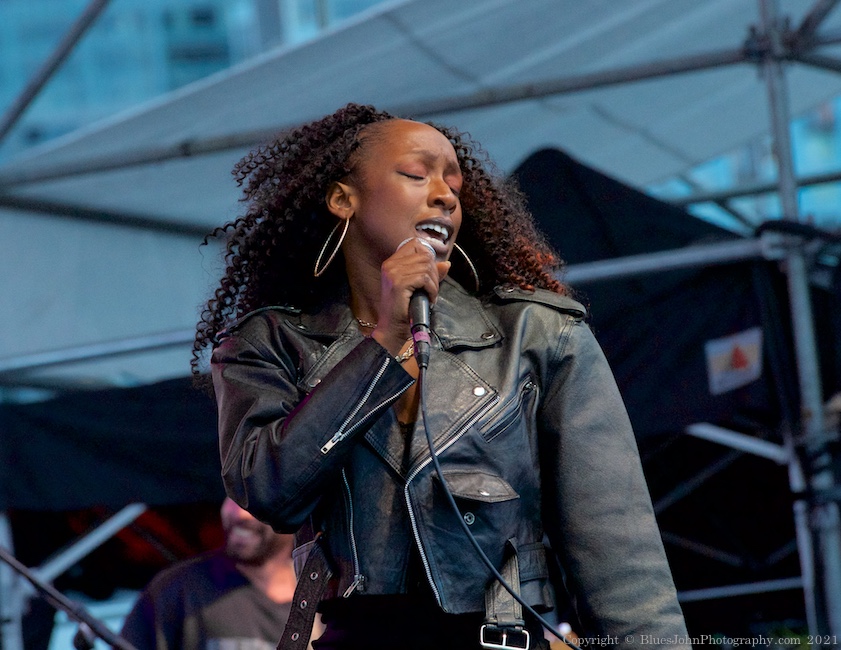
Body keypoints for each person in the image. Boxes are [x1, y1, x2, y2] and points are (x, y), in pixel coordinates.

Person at [193, 103, 690, 649]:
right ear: (343, 199)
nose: (444, 194)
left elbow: (620, 555)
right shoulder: (269, 344)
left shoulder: (536, 335)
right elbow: (270, 489)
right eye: (416, 174)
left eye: (454, 182)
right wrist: (384, 338)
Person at [119, 498, 298, 649]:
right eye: (234, 497)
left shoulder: (321, 597)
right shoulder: (177, 589)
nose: (240, 514)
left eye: (257, 504)